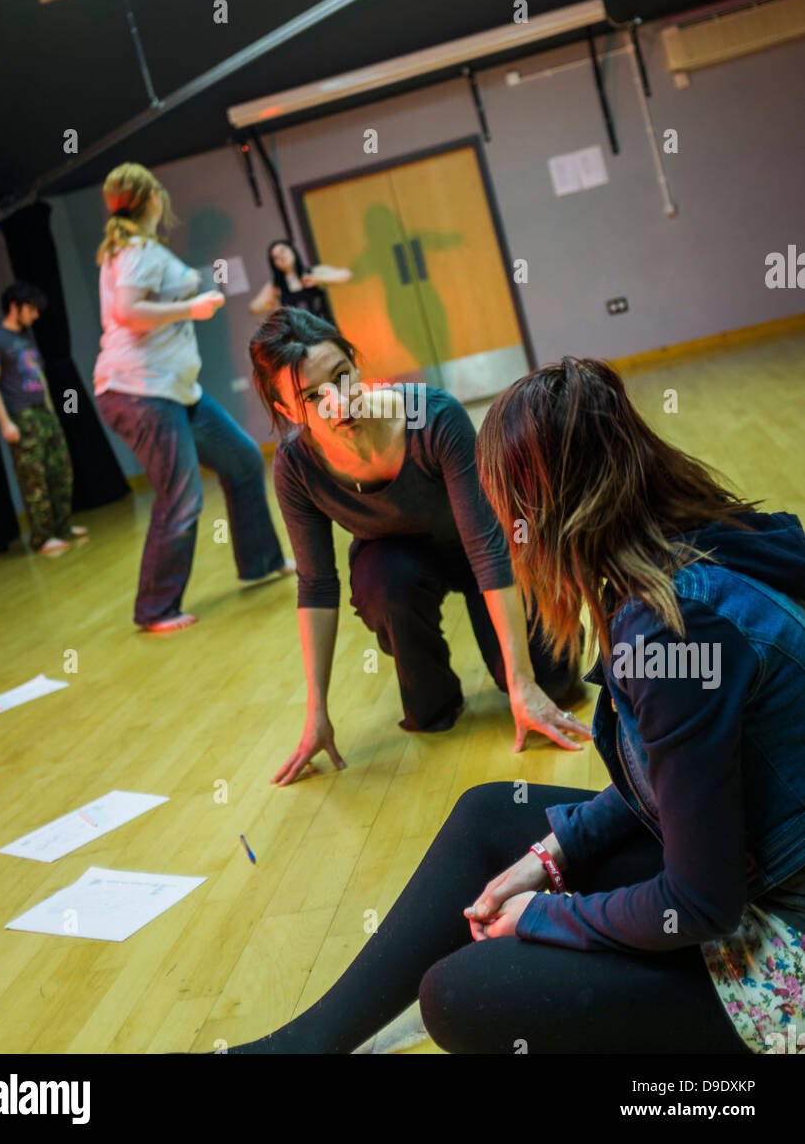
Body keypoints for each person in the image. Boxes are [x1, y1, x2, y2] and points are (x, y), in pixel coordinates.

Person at [218, 356, 805, 1054]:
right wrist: (553, 854)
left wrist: (544, 917)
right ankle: (305, 1046)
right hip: (751, 859)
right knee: (490, 815)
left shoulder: (671, 629)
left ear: (541, 511)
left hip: (779, 938)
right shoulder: (693, 549)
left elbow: (701, 905)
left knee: (459, 994)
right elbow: (680, 778)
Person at [248, 307, 590, 786]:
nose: (339, 402)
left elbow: (488, 548)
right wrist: (316, 713)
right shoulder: (295, 467)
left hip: (485, 553)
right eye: (312, 396)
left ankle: (530, 663)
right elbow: (317, 585)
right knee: (421, 693)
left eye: (342, 376)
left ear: (356, 364)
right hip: (399, 565)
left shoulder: (432, 416)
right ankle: (438, 691)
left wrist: (522, 682)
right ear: (287, 411)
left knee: (556, 684)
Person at [93, 162, 294, 633]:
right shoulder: (136, 249)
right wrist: (193, 306)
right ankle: (155, 610)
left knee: (243, 459)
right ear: (153, 199)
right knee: (181, 497)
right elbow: (126, 312)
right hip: (140, 390)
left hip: (174, 390)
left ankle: (261, 560)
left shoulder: (136, 248)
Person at [0, 281, 87, 556]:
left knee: (61, 471)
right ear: (16, 306)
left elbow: (40, 377)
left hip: (43, 413)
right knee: (33, 479)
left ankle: (63, 527)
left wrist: (52, 411)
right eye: (32, 309)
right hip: (22, 416)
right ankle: (42, 537)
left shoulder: (28, 339)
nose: (36, 315)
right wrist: (6, 422)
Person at [249, 238, 351, 322]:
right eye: (276, 257)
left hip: (326, 332)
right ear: (274, 264)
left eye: (282, 251)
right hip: (300, 341)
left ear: (291, 250)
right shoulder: (276, 286)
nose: (281, 257)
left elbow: (346, 275)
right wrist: (268, 304)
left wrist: (317, 280)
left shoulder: (313, 272)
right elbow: (254, 308)